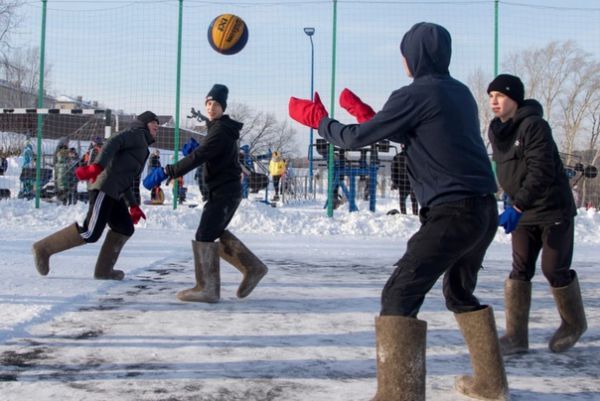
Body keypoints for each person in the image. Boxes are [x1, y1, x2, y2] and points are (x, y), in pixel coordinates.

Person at [289, 22, 507, 401]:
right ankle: (491, 383)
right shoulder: (459, 93)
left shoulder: (415, 94)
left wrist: (321, 122)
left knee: (398, 297)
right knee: (458, 292)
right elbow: (423, 131)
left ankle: (398, 395)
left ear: (413, 57)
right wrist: (368, 113)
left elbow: (356, 139)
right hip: (483, 211)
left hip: (452, 213)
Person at [487, 74, 586, 355]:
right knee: (520, 270)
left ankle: (573, 323)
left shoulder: (534, 126)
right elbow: (504, 171)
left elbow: (540, 170)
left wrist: (517, 206)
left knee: (553, 270)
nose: (494, 101)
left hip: (551, 208)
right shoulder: (496, 130)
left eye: (500, 96)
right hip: (522, 210)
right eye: (491, 96)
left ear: (514, 99)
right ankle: (516, 337)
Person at [143, 84, 268, 303]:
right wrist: (198, 150)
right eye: (208, 103)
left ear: (223, 107)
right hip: (223, 191)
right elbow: (209, 153)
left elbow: (200, 156)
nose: (211, 107)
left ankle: (207, 288)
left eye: (216, 104)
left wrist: (167, 170)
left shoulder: (220, 130)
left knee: (204, 236)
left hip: (224, 192)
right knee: (214, 232)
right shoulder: (218, 128)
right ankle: (253, 267)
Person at [32, 111, 159, 280]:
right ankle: (43, 248)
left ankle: (104, 271)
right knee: (91, 232)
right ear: (143, 124)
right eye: (153, 123)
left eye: (158, 125)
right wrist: (97, 166)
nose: (157, 127)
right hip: (104, 186)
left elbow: (126, 179)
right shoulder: (135, 134)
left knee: (125, 228)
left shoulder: (143, 149)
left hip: (116, 191)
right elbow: (114, 141)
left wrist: (133, 205)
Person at [391, 147, 418, 215]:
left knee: (402, 201)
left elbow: (394, 171)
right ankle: (415, 214)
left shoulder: (397, 157)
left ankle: (403, 214)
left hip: (403, 182)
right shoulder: (415, 156)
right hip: (413, 182)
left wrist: (395, 182)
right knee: (414, 200)